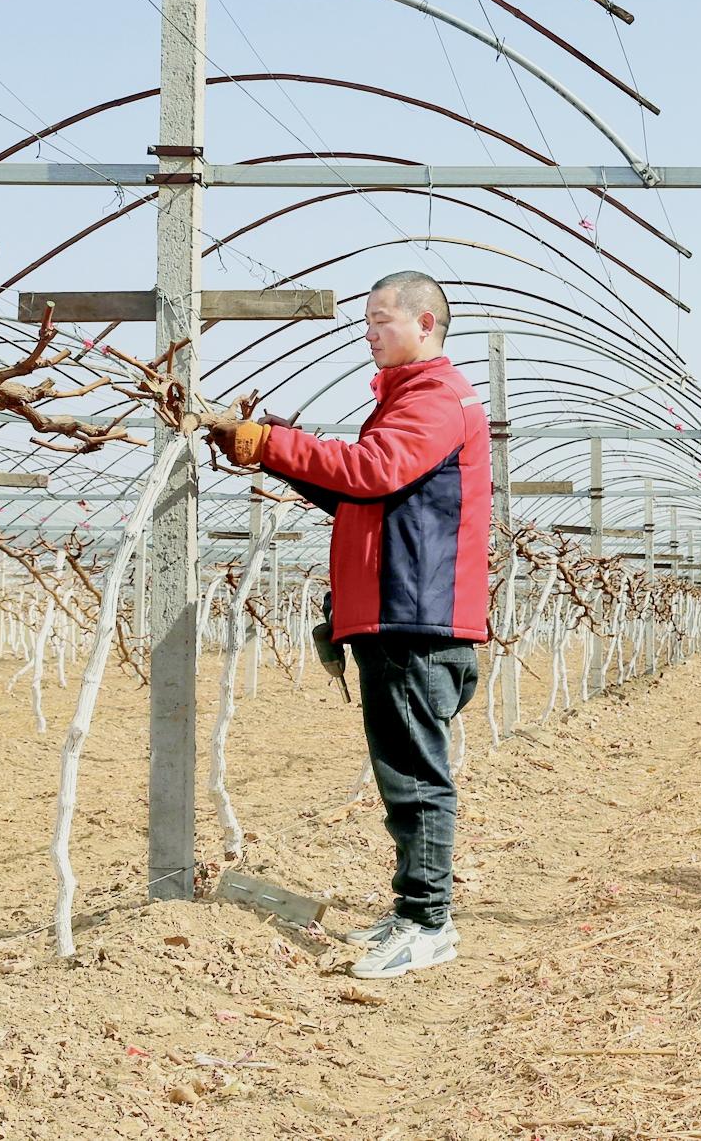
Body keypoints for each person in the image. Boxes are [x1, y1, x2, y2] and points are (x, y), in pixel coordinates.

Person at [210, 270, 491, 978]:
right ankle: (412, 908)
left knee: (415, 776)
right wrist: (267, 444)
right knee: (402, 770)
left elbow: (372, 471)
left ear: (426, 323)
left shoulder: (435, 399)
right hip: (396, 611)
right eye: (365, 320)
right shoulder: (406, 403)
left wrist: (273, 445)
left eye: (381, 318)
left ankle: (429, 922)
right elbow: (358, 496)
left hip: (415, 617)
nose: (369, 331)